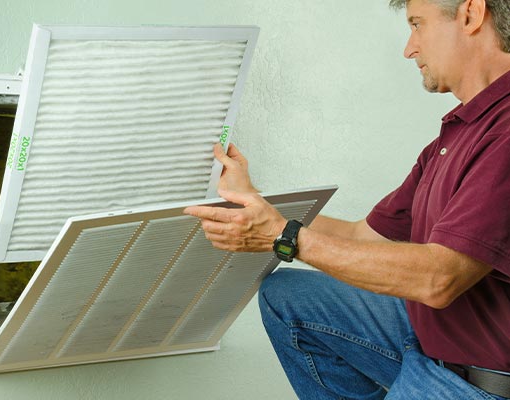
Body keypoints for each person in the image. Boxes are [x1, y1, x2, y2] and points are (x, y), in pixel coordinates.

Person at [183, 0, 510, 398]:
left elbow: (438, 279)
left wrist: (286, 237)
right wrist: (251, 201)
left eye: (417, 24)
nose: (409, 48)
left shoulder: (504, 135)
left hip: (481, 378)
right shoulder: (459, 133)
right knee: (289, 297)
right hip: (436, 339)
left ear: (471, 15)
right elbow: (364, 235)